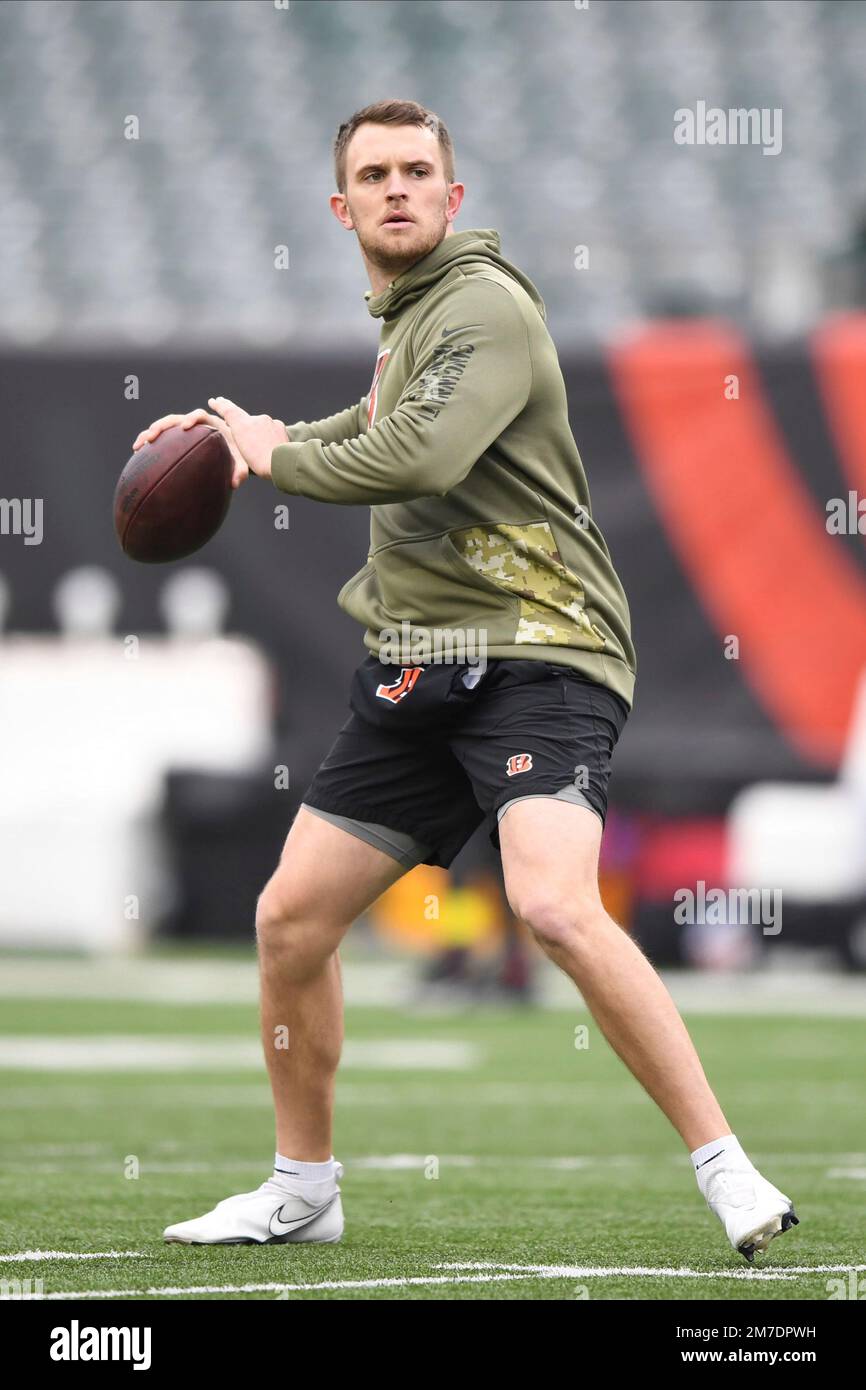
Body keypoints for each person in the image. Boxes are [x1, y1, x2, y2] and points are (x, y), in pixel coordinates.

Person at [134, 99, 797, 1262]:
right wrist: (252, 432)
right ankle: (302, 1186)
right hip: (419, 667)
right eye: (374, 175)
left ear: (453, 196)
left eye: (416, 170)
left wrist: (273, 457)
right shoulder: (414, 322)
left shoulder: (480, 302)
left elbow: (420, 454)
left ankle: (726, 1168)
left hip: (538, 650)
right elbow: (376, 420)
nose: (397, 188)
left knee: (548, 902)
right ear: (341, 209)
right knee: (289, 919)